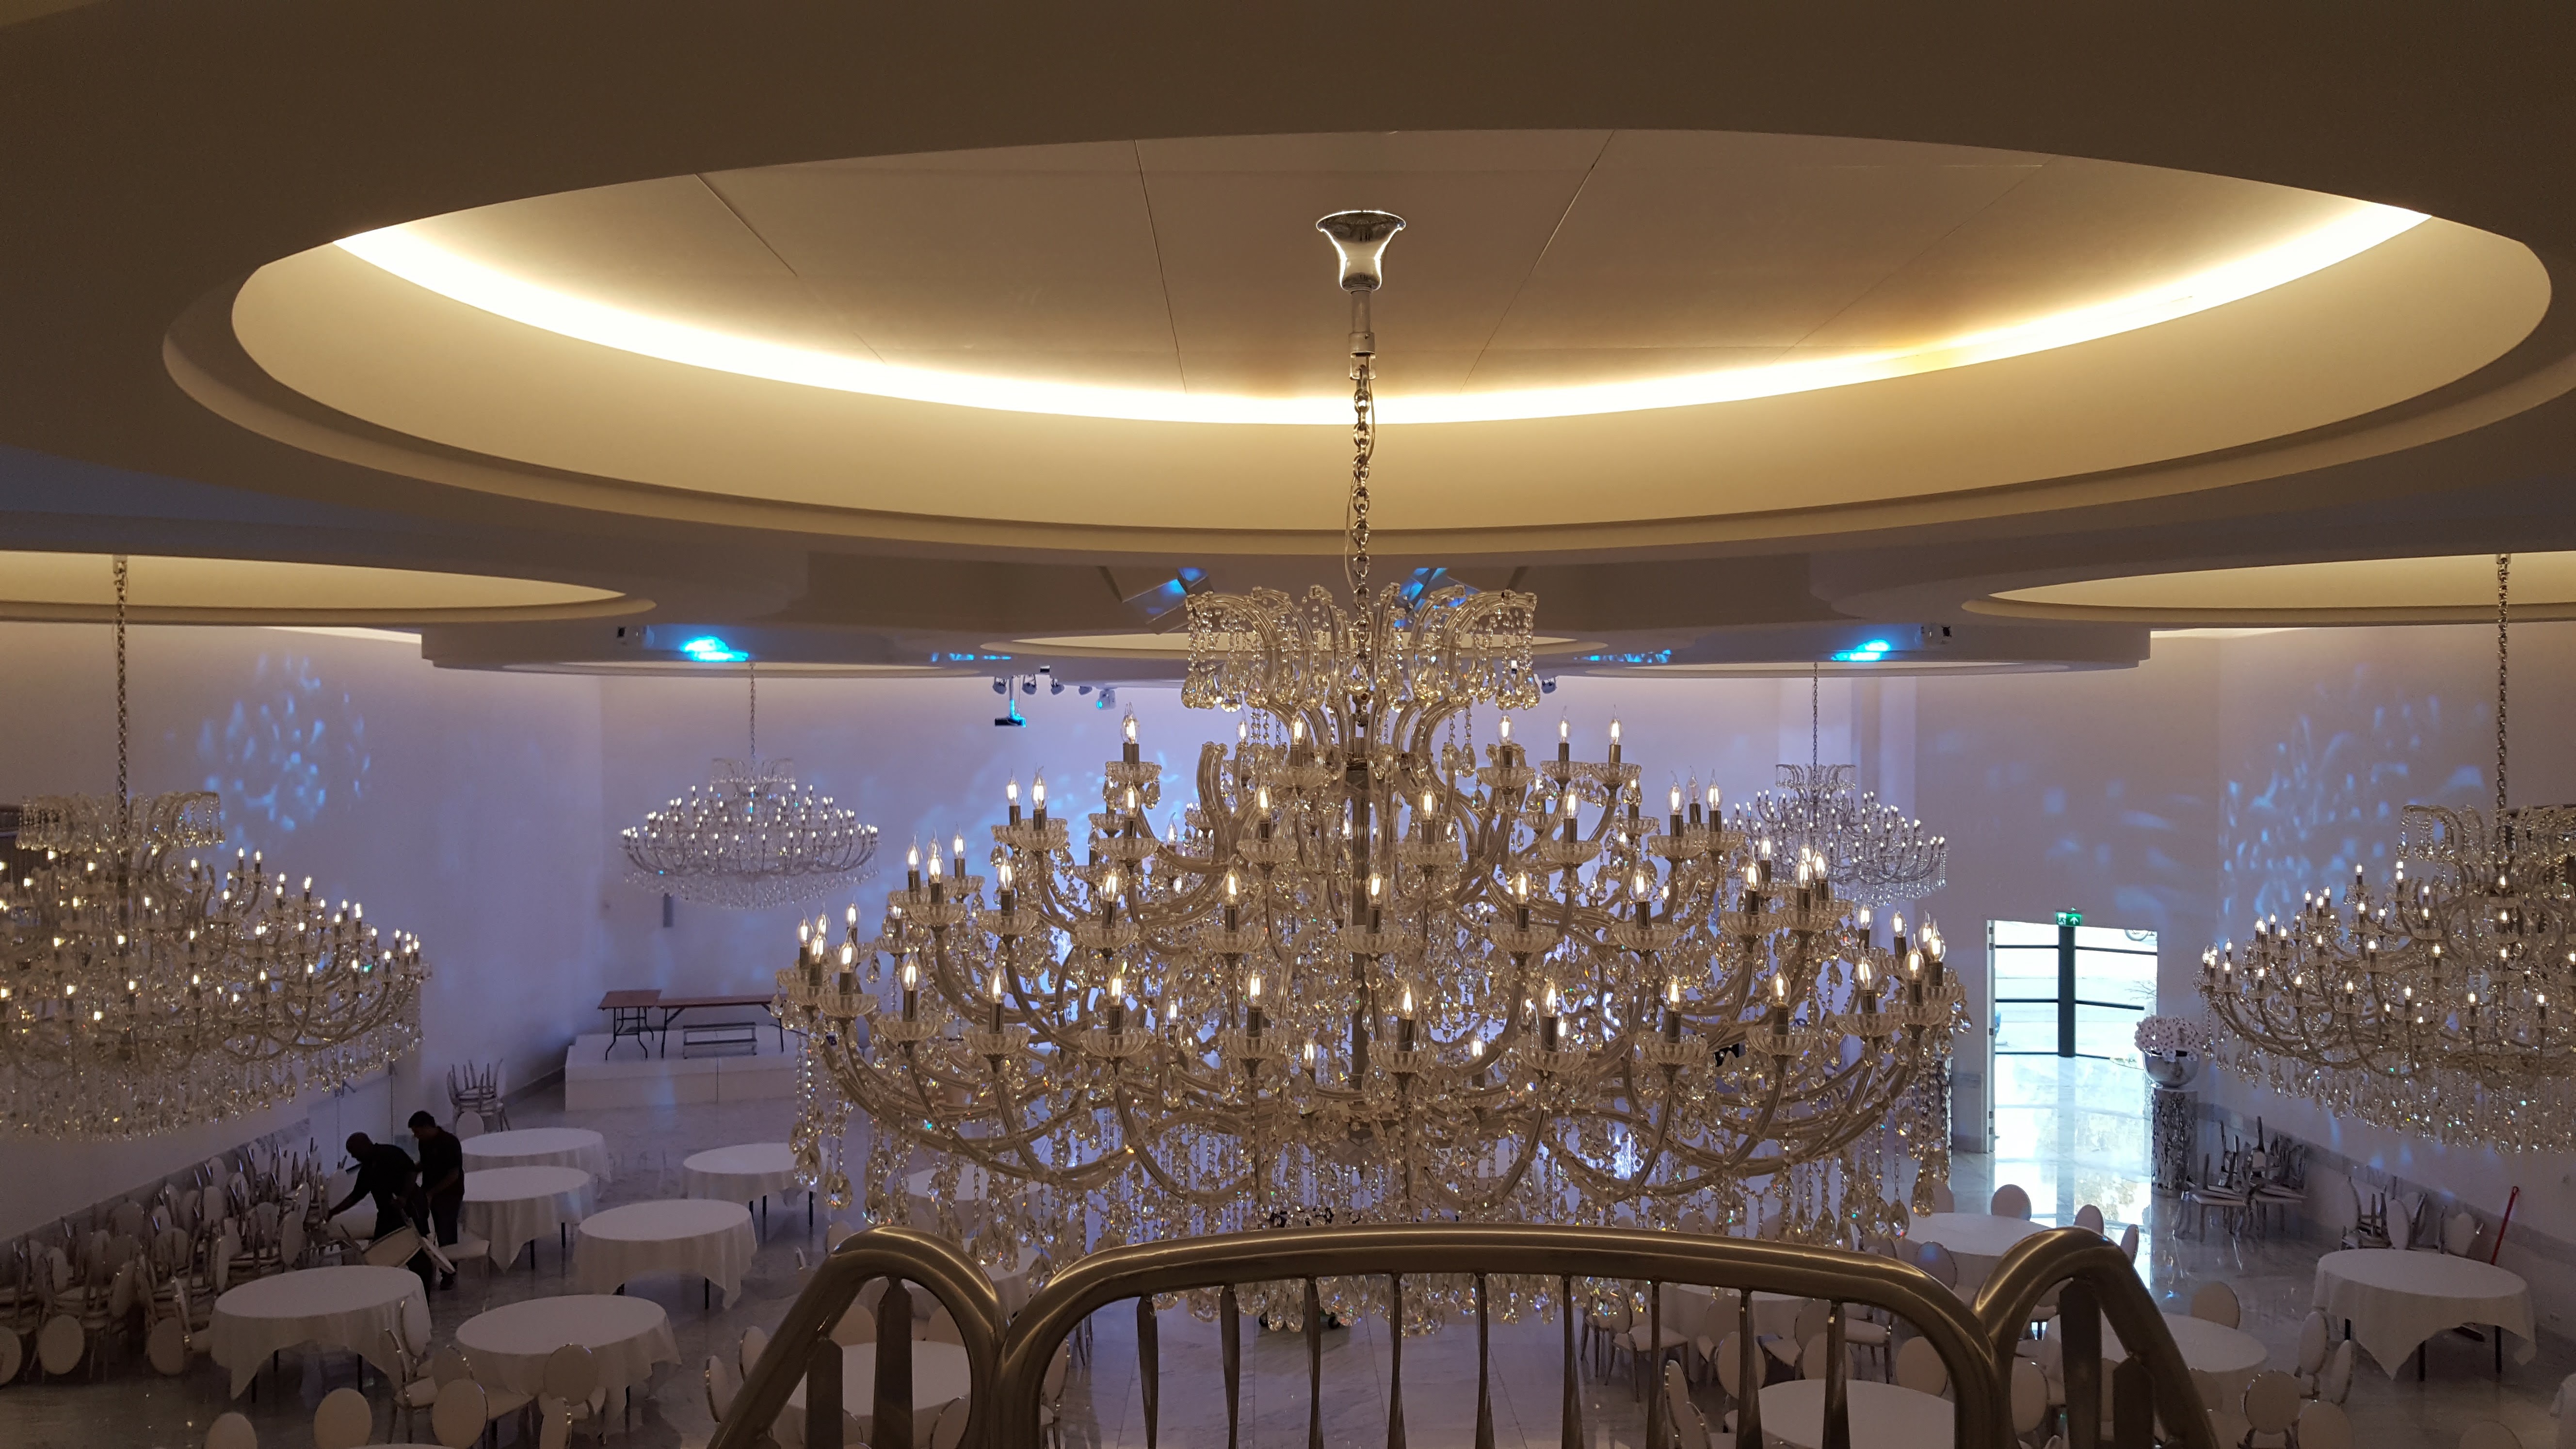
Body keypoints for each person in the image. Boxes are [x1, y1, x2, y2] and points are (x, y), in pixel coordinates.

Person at [331, 1132, 428, 1287]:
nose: (354, 1157)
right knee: (378, 1251)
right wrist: (333, 1212)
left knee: (416, 1248)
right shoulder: (367, 1169)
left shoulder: (391, 1153)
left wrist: (403, 1197)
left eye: (354, 1152)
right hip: (387, 1213)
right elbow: (356, 1195)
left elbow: (411, 1172)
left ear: (364, 1145)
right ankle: (383, 1285)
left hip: (410, 1207)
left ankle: (422, 1286)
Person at [410, 1110, 465, 1289]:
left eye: (418, 1131)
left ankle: (449, 1272)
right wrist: (411, 1170)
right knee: (426, 1230)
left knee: (446, 1233)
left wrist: (432, 1193)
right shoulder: (424, 1143)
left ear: (427, 1127)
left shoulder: (450, 1143)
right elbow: (425, 1163)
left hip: (450, 1194)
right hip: (430, 1190)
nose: (416, 1136)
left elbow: (454, 1175)